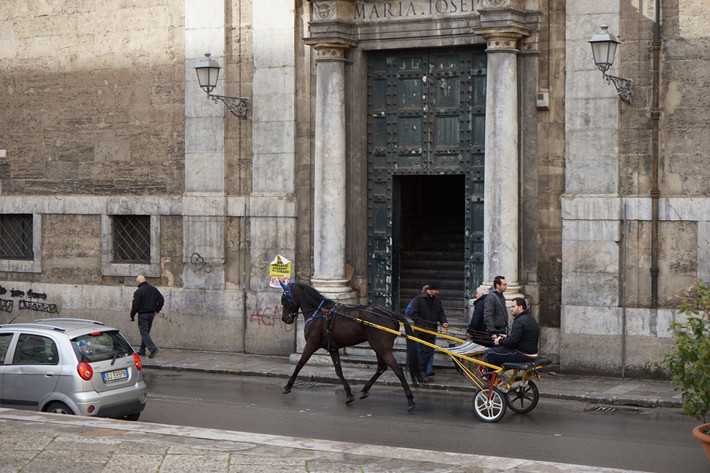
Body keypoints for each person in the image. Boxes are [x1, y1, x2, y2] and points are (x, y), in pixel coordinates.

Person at [483, 297, 540, 371]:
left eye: (513, 306)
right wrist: (507, 337)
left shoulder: (519, 321)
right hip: (531, 353)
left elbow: (512, 342)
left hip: (523, 354)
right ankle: (498, 376)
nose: (511, 309)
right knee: (498, 350)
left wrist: (499, 341)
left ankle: (491, 379)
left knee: (489, 353)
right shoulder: (530, 318)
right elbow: (522, 338)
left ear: (520, 307)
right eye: (511, 307)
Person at [409, 280, 448, 382]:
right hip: (421, 330)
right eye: (436, 290)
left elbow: (440, 313)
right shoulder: (418, 299)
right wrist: (423, 325)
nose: (438, 292)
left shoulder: (437, 300)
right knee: (425, 351)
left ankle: (421, 371)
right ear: (431, 290)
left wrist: (443, 322)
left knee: (428, 351)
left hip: (431, 330)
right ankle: (421, 371)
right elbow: (413, 314)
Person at [130, 274, 164, 358]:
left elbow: (135, 305)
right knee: (146, 333)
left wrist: (132, 315)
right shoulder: (153, 289)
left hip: (143, 315)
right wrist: (157, 309)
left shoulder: (138, 292)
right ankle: (142, 351)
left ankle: (152, 348)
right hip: (151, 314)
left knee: (144, 332)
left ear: (138, 282)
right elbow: (161, 300)